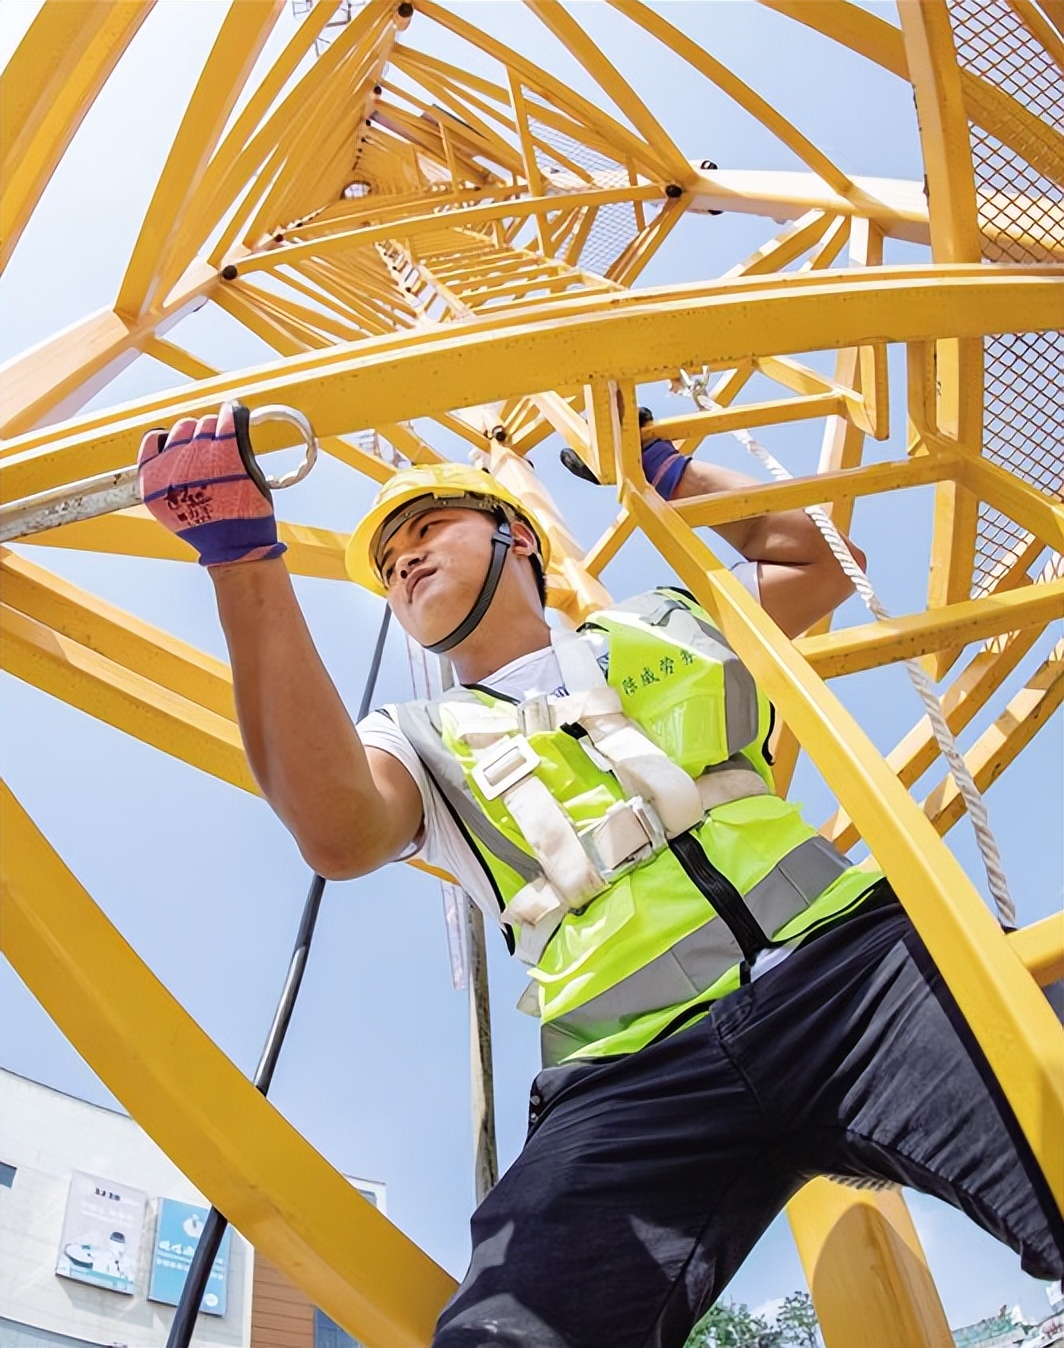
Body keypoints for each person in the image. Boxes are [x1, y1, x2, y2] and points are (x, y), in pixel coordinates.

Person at [138, 402, 1063, 1347]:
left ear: (520, 537)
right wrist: (243, 564)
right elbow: (337, 833)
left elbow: (820, 561)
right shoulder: (412, 740)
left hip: (853, 980)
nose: (403, 561)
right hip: (629, 1073)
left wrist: (658, 464)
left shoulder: (665, 624)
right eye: (387, 562)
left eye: (428, 528)